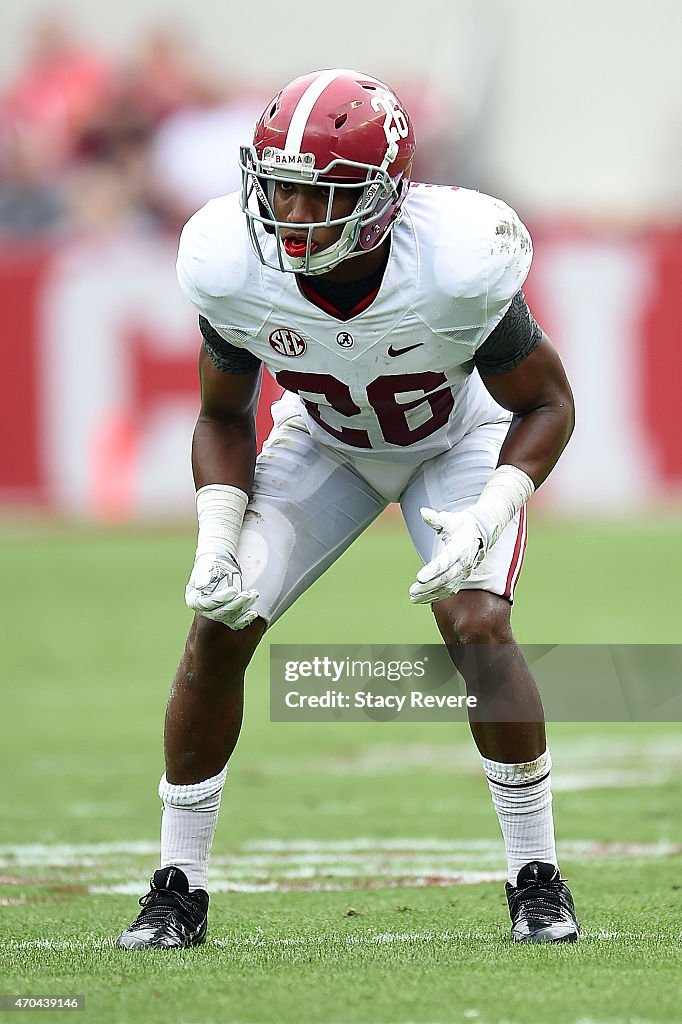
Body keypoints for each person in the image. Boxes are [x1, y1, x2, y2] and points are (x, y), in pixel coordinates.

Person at [116, 68, 578, 949]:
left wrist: (491, 512)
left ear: (380, 200)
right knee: (218, 624)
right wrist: (218, 534)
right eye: (277, 188)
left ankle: (537, 877)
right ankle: (177, 887)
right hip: (327, 444)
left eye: (315, 195)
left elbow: (548, 403)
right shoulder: (235, 262)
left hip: (457, 441)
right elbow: (221, 414)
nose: (288, 215)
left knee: (477, 625)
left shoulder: (454, 261)